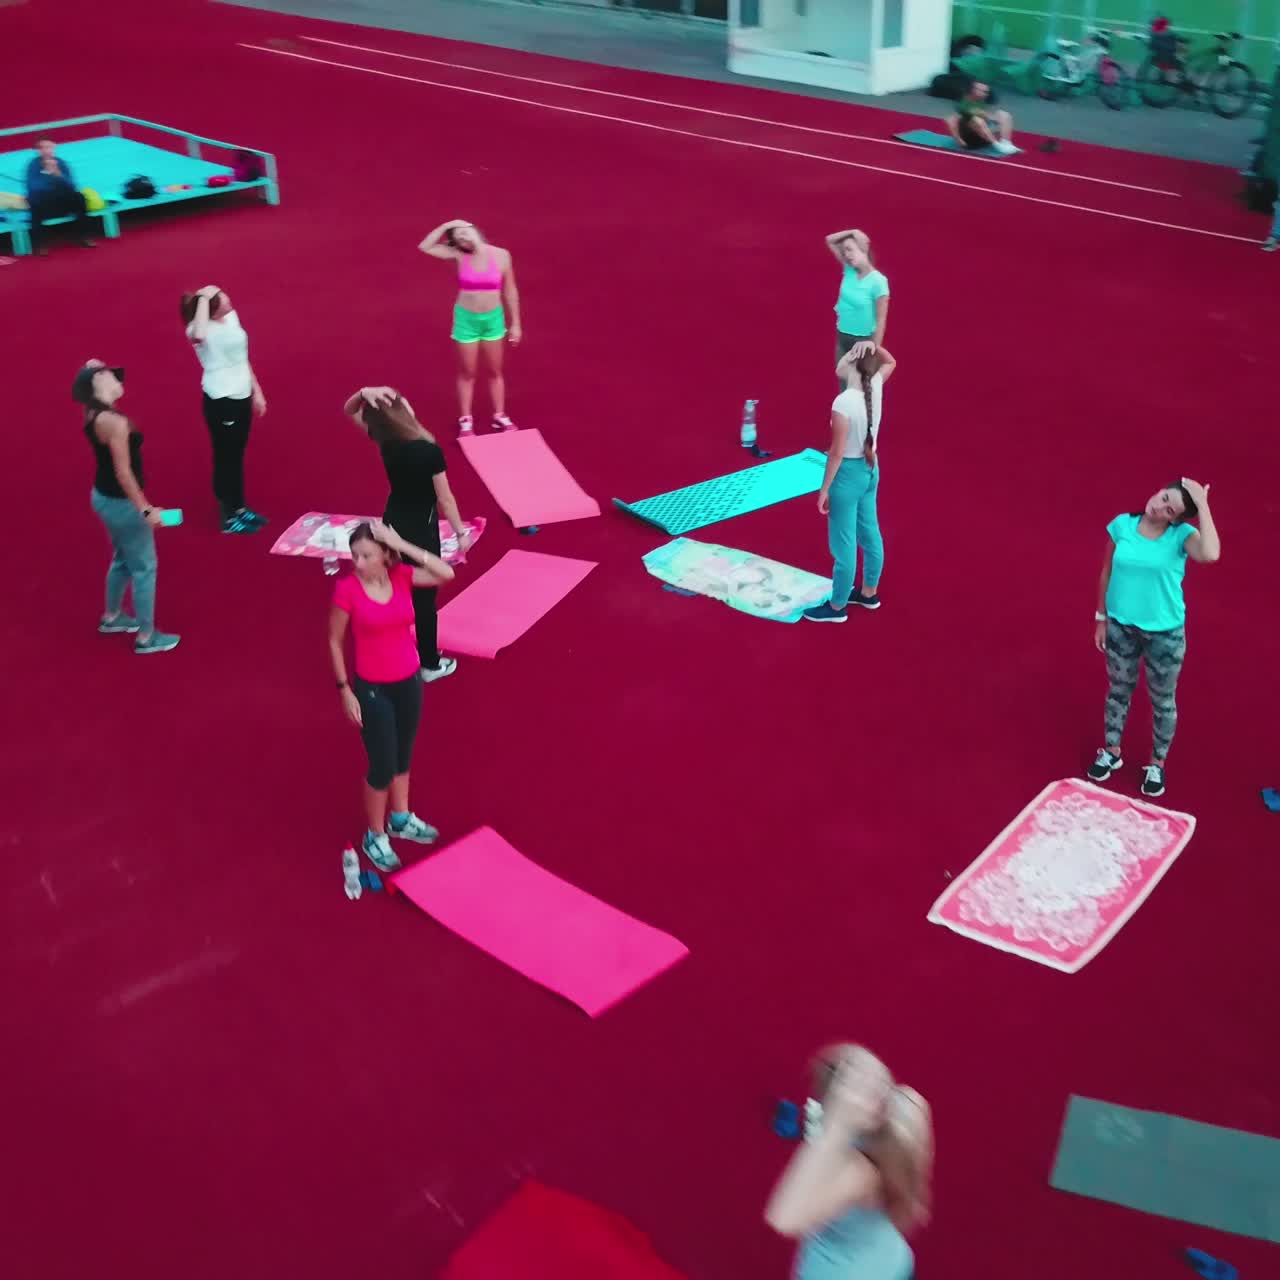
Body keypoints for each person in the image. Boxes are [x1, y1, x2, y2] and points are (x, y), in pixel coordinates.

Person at [328, 520, 454, 872]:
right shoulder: (347, 590)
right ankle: (375, 835)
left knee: (403, 753)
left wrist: (402, 544)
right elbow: (334, 641)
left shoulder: (401, 577)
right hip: (372, 688)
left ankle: (400, 817)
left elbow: (445, 573)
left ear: (385, 555)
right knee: (382, 765)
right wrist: (344, 690)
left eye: (366, 555)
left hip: (408, 681)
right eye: (355, 555)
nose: (358, 563)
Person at [1088, 479, 1220, 798]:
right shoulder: (1122, 525)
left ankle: (1157, 764)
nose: (1159, 507)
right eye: (1163, 497)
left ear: (1175, 519)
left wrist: (1202, 504)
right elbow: (1106, 572)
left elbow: (1210, 554)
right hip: (1121, 627)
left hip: (1165, 635)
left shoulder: (1181, 536)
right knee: (1118, 691)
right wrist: (1101, 617)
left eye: (1170, 509)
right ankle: (1112, 750)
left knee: (1162, 700)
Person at [766, 1044, 933, 1280]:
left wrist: (836, 1125)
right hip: (892, 1263)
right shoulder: (905, 1113)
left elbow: (784, 1219)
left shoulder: (859, 1171)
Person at [344, 387, 473, 682]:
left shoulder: (385, 440)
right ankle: (429, 663)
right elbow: (445, 499)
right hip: (421, 529)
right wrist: (460, 533)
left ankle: (391, 640)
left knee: (394, 583)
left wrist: (364, 392)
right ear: (402, 413)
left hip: (392, 522)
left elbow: (349, 410)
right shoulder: (428, 451)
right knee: (425, 598)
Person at [76, 360, 180, 654]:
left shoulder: (91, 412)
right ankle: (147, 636)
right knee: (145, 567)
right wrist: (147, 510)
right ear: (98, 381)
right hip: (123, 505)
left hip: (102, 498)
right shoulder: (116, 423)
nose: (120, 380)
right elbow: (124, 474)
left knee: (122, 557)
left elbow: (91, 369)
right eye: (112, 375)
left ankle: (112, 617)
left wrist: (95, 369)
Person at [804, 346, 897, 623]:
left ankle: (837, 607)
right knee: (870, 531)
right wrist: (874, 347)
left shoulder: (843, 403)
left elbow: (836, 452)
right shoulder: (875, 385)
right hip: (870, 467)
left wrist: (824, 489)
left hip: (847, 475)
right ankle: (869, 592)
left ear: (853, 364)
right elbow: (891, 361)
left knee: (843, 543)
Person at [417, 219, 522, 437]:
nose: (463, 238)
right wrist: (447, 225)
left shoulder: (502, 255)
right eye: (458, 238)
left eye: (464, 232)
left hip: (493, 320)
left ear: (474, 230)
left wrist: (516, 324)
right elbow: (425, 247)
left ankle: (499, 415)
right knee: (468, 372)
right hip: (466, 320)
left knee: (495, 371)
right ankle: (466, 419)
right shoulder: (458, 254)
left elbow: (510, 290)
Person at [181, 285, 268, 533]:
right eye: (221, 299)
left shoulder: (231, 317)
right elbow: (198, 334)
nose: (228, 300)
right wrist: (202, 299)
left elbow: (242, 356)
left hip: (241, 394)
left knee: (236, 454)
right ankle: (228, 516)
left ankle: (239, 507)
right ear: (211, 308)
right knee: (225, 456)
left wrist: (257, 391)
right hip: (222, 399)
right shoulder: (197, 329)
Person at [825, 229, 889, 382]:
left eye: (850, 249)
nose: (846, 255)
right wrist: (853, 231)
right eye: (844, 251)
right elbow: (830, 240)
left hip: (863, 343)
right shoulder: (849, 270)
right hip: (842, 337)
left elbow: (881, 320)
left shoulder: (878, 282)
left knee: (861, 386)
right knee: (843, 384)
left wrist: (873, 349)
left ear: (863, 249)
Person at [25, 137, 97, 256]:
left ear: (54, 147)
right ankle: (40, 244)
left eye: (49, 147)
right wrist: (48, 175)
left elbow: (71, 185)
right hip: (45, 204)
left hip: (62, 203)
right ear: (38, 150)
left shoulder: (61, 163)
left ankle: (85, 236)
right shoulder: (33, 165)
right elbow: (33, 187)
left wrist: (58, 174)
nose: (46, 150)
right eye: (42, 148)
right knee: (34, 202)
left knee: (79, 197)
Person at [946, 81, 1017, 155]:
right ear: (973, 90)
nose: (986, 94)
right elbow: (951, 120)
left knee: (1003, 114)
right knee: (977, 120)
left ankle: (1006, 143)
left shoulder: (981, 100)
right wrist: (959, 140)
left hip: (984, 135)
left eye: (986, 92)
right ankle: (998, 146)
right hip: (970, 140)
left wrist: (996, 120)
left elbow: (985, 116)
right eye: (983, 91)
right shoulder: (962, 103)